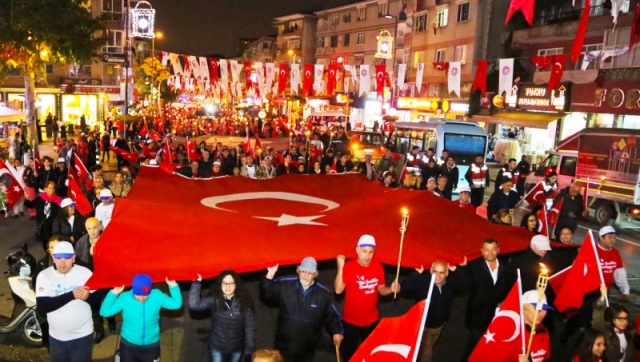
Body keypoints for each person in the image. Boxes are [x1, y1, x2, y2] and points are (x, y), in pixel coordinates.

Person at [259, 257, 343, 362]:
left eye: (310, 272)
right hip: (285, 343)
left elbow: (332, 315)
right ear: (299, 271)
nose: (306, 275)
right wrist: (269, 275)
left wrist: (336, 331)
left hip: (307, 346)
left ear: (315, 274)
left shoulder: (323, 294)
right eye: (303, 271)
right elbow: (266, 294)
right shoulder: (285, 285)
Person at [334, 235, 400, 361]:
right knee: (350, 355)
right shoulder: (349, 267)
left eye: (371, 252)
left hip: (371, 320)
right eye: (364, 251)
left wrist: (391, 289)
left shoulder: (378, 267)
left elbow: (381, 289)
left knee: (371, 353)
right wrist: (340, 266)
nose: (367, 256)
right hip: (350, 322)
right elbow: (338, 290)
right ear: (357, 250)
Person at [560, 226, 631, 343]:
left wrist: (625, 290)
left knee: (600, 318)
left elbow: (619, 273)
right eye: (610, 237)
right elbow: (578, 270)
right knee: (581, 316)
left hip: (604, 292)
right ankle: (566, 335)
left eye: (614, 237)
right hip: (589, 292)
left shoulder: (615, 253)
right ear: (601, 238)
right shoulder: (591, 251)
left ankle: (589, 340)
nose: (613, 240)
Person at [100, 274, 183, 362]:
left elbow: (176, 304)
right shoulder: (125, 297)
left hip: (151, 345)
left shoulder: (157, 295)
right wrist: (114, 293)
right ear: (133, 290)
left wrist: (173, 286)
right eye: (138, 295)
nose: (142, 298)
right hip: (129, 345)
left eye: (145, 295)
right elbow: (104, 312)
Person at [35, 241, 95, 362]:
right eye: (59, 258)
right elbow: (43, 306)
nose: (62, 263)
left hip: (83, 335)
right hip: (57, 338)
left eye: (67, 258)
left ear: (73, 258)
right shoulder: (44, 276)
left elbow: (98, 299)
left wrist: (88, 296)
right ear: (53, 258)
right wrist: (71, 295)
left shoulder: (85, 273)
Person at [458, 239, 512, 361]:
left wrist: (504, 300)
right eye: (486, 250)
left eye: (493, 249)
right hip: (477, 314)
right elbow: (465, 284)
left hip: (496, 316)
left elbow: (509, 287)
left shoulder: (506, 268)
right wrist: (461, 269)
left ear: (498, 250)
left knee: (491, 347)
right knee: (475, 344)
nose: (490, 253)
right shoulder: (473, 266)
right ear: (482, 251)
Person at [402, 260, 465, 362]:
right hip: (423, 325)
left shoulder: (450, 284)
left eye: (441, 273)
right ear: (431, 270)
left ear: (447, 273)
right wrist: (416, 274)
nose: (438, 276)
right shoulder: (423, 282)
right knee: (427, 353)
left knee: (427, 346)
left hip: (438, 325)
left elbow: (467, 284)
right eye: (435, 271)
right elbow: (404, 287)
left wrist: (458, 270)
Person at [189, 270, 256, 362]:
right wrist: (196, 283)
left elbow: (249, 327)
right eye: (224, 283)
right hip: (216, 347)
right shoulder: (214, 300)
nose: (227, 286)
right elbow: (194, 305)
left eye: (231, 283)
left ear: (236, 285)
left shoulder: (244, 303)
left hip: (236, 348)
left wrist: (249, 349)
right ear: (220, 285)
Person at [23, 181, 62, 250]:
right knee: (44, 241)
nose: (52, 190)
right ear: (45, 189)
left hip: (53, 225)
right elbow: (31, 205)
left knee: (54, 241)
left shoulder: (58, 200)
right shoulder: (40, 198)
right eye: (49, 188)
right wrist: (27, 198)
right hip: (42, 224)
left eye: (53, 188)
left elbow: (61, 212)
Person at [518, 290, 553, 362]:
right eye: (536, 308)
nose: (541, 313)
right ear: (524, 308)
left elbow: (546, 359)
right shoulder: (514, 332)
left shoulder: (543, 331)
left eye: (544, 309)